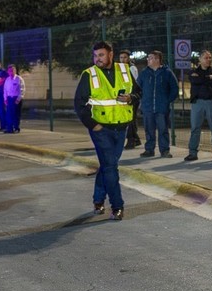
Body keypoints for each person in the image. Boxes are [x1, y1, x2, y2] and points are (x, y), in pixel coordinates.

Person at [74, 41, 137, 220]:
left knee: (107, 166)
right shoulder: (89, 74)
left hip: (121, 128)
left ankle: (98, 200)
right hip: (100, 129)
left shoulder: (124, 70)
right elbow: (79, 104)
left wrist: (131, 98)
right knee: (111, 167)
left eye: (101, 55)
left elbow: (139, 93)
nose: (97, 59)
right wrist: (93, 125)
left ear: (111, 54)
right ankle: (117, 206)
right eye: (95, 56)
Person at [136, 50, 179, 157]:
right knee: (149, 129)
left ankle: (164, 150)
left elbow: (174, 88)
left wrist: (167, 100)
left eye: (150, 58)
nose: (148, 60)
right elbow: (137, 88)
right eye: (148, 58)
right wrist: (142, 100)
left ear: (157, 59)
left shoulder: (167, 72)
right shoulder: (144, 73)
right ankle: (149, 150)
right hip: (147, 107)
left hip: (162, 107)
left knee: (163, 129)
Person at [184, 50, 212, 162]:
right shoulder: (194, 71)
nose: (209, 60)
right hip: (198, 102)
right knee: (195, 128)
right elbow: (194, 80)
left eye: (210, 57)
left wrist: (203, 78)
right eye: (206, 58)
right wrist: (209, 78)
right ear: (200, 59)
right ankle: (192, 153)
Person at [119, 50, 142, 149]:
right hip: (125, 96)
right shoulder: (120, 68)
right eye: (121, 57)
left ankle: (131, 140)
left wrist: (131, 96)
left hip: (132, 97)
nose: (123, 59)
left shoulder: (131, 68)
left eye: (125, 57)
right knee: (129, 119)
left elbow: (135, 84)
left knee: (131, 119)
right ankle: (136, 139)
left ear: (128, 58)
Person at [3, 64, 24, 132]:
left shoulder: (19, 79)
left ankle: (16, 128)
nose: (11, 72)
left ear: (15, 71)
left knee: (16, 114)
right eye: (10, 71)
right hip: (9, 98)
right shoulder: (7, 79)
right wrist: (5, 99)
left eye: (12, 70)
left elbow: (22, 89)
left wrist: (19, 99)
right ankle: (9, 128)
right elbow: (5, 90)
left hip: (16, 98)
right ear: (8, 72)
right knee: (9, 114)